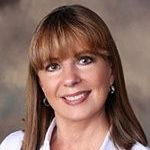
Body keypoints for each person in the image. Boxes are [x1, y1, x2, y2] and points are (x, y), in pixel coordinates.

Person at [0, 4, 149, 150]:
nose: (70, 79)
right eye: (53, 66)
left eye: (84, 60)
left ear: (111, 71)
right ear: (41, 83)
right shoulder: (13, 146)